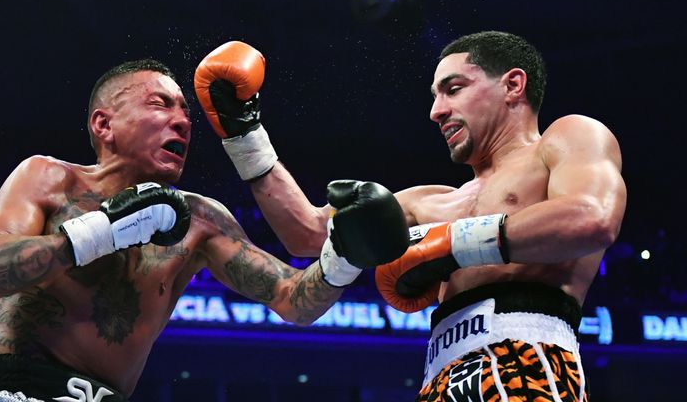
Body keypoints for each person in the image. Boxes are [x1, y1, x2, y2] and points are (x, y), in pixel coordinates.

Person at [195, 32, 626, 401]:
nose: (436, 110)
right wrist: (243, 134)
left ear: (513, 84)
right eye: (435, 96)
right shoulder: (430, 201)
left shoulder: (566, 139)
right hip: (440, 375)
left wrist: (449, 246)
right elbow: (307, 234)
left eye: (453, 88)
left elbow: (591, 218)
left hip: (526, 362)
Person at [0, 58, 410, 401]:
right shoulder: (50, 179)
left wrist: (344, 254)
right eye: (160, 104)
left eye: (186, 112)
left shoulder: (199, 220)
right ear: (104, 124)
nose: (182, 120)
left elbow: (293, 300)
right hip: (15, 392)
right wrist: (106, 229)